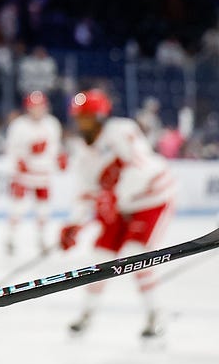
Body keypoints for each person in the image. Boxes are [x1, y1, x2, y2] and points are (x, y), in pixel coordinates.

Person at [60, 87, 176, 340]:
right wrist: (73, 224)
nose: (82, 123)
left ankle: (155, 314)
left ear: (100, 116)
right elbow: (84, 191)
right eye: (79, 118)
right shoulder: (83, 151)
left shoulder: (122, 131)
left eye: (87, 117)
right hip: (121, 206)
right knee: (100, 256)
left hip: (151, 200)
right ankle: (87, 315)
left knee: (137, 255)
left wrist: (114, 197)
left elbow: (141, 169)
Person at [4, 91, 64, 255]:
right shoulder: (19, 125)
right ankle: (11, 239)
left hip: (43, 175)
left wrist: (58, 160)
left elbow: (55, 148)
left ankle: (42, 238)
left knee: (43, 210)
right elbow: (11, 149)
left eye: (40, 107)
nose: (37, 110)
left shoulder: (52, 124)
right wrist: (18, 164)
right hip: (23, 176)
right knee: (18, 208)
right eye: (34, 107)